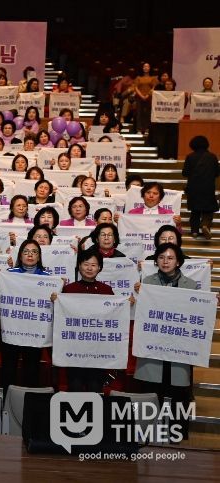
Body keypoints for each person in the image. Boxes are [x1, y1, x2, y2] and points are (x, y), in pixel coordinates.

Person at [133, 243, 212, 436]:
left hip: (179, 348)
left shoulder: (191, 285)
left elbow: (197, 315)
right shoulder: (147, 283)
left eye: (170, 258)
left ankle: (177, 432)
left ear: (178, 262)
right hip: (153, 346)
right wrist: (137, 295)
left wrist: (210, 303)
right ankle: (148, 432)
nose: (165, 261)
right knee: (151, 390)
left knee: (179, 393)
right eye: (161, 257)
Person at [52, 247, 114, 392]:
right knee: (75, 387)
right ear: (79, 266)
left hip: (98, 351)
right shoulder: (69, 289)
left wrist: (126, 304)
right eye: (86, 264)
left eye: (93, 265)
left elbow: (114, 315)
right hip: (74, 350)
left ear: (99, 268)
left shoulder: (107, 290)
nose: (89, 268)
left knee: (95, 388)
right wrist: (56, 300)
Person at [2, 239, 50, 391]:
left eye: (34, 252)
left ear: (39, 256)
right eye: (26, 251)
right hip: (12, 329)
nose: (30, 255)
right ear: (20, 255)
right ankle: (7, 402)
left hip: (35, 331)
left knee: (32, 369)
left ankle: (29, 402)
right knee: (9, 368)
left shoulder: (49, 277)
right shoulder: (8, 274)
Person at [182, 136, 219, 239]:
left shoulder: (190, 157)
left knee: (195, 210)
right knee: (208, 210)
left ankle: (194, 231)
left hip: (193, 188)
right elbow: (217, 173)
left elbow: (185, 173)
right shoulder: (213, 157)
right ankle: (205, 225)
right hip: (208, 187)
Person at [134, 62, 157, 135]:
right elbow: (136, 87)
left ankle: (147, 129)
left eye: (147, 66)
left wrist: (147, 95)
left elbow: (154, 88)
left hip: (149, 98)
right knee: (139, 113)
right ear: (142, 68)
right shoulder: (138, 77)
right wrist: (141, 95)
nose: (146, 68)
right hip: (139, 98)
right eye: (144, 66)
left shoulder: (153, 78)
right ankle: (139, 129)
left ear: (150, 68)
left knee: (148, 114)